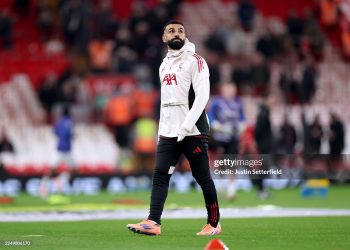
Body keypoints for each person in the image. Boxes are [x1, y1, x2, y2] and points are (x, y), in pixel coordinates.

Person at [127, 20, 221, 236]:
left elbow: (202, 96)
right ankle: (153, 221)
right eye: (171, 31)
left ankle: (214, 223)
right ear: (164, 38)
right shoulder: (163, 65)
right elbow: (166, 103)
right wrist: (164, 130)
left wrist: (186, 126)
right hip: (169, 133)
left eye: (180, 31)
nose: (176, 33)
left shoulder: (195, 61)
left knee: (202, 176)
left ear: (185, 36)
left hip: (193, 131)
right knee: (160, 175)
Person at [40, 106, 75, 199]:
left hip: (58, 150)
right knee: (74, 170)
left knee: (52, 170)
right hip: (67, 151)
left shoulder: (59, 122)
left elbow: (54, 132)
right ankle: (59, 181)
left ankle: (44, 186)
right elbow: (70, 134)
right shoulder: (70, 122)